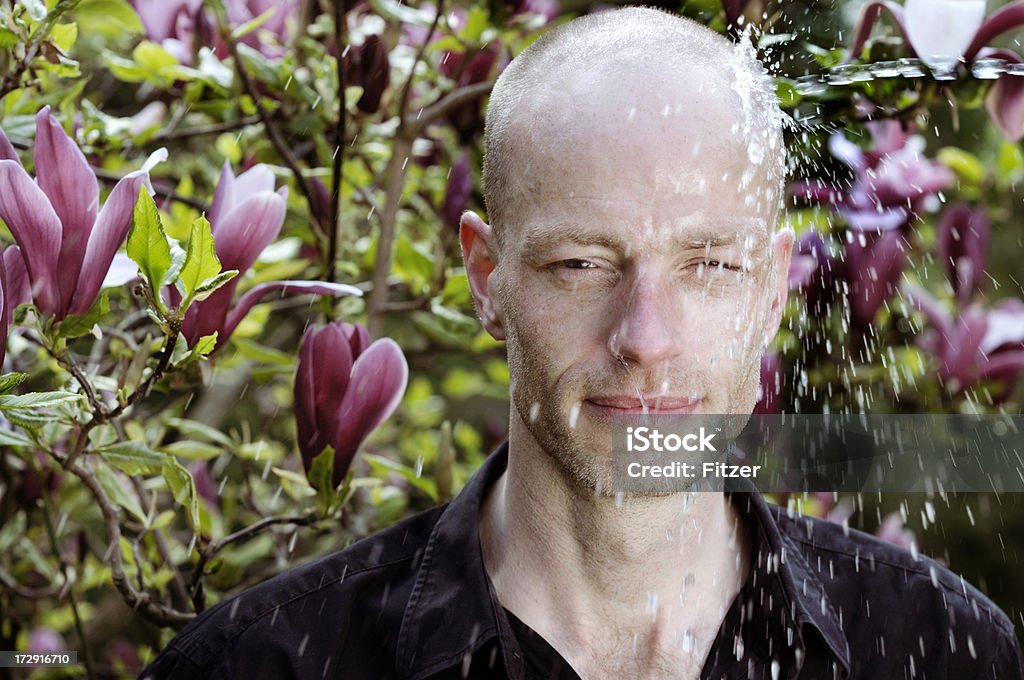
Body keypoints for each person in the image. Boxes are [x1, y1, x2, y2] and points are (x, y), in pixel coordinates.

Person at [140, 7, 1023, 679]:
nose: (645, 337)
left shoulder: (939, 646)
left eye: (709, 264)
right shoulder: (262, 663)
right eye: (580, 264)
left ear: (768, 285)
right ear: (487, 278)